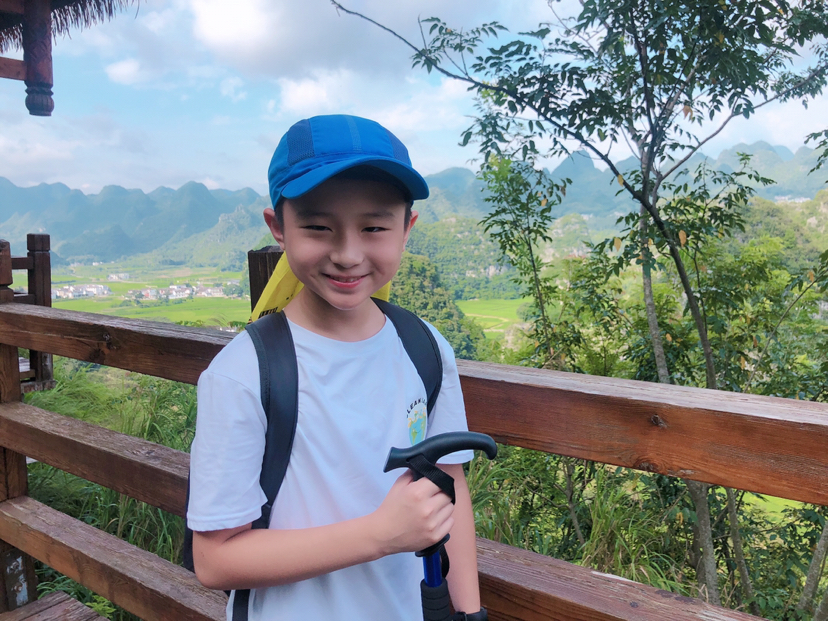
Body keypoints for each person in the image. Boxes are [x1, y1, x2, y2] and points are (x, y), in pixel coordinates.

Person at [187, 114, 484, 620]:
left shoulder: (425, 347)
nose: (348, 254)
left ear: (406, 229)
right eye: (319, 227)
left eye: (374, 227)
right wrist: (380, 534)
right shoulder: (244, 373)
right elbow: (215, 561)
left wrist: (470, 612)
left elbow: (448, 486)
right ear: (278, 227)